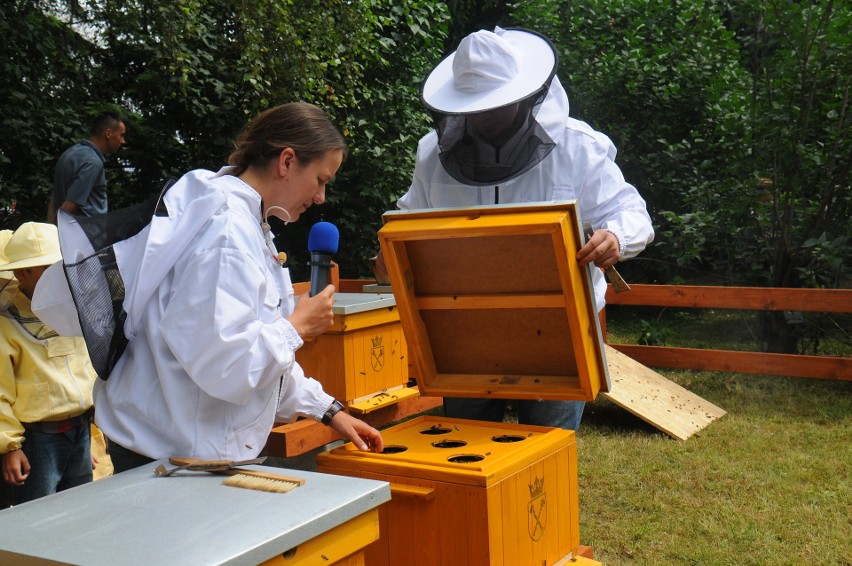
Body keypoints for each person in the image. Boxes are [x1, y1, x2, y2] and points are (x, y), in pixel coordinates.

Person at [58, 102, 383, 472]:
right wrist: (295, 328)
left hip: (176, 456)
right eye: (321, 180)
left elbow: (253, 350)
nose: (321, 196)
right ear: (287, 161)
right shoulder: (226, 232)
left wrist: (327, 410)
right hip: (170, 464)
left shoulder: (238, 219)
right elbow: (224, 363)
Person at [379, 28, 654, 431]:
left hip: (558, 331)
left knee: (548, 450)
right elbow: (407, 218)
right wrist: (388, 252)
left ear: (525, 95)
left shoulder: (577, 147)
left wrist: (615, 236)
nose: (483, 116)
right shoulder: (432, 154)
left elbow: (631, 212)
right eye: (473, 107)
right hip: (461, 331)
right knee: (465, 449)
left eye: (494, 105)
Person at [0, 222, 98, 504]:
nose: (20, 273)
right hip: (37, 440)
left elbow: (85, 373)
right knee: (39, 519)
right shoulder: (6, 323)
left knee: (79, 510)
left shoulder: (73, 311)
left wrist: (89, 439)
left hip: (78, 432)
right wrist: (10, 447)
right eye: (23, 268)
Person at [48, 111, 127, 222]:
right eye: (121, 135)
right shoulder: (92, 163)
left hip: (62, 234)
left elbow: (54, 198)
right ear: (108, 133)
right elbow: (69, 206)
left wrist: (51, 230)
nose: (122, 141)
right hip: (83, 236)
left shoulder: (69, 153)